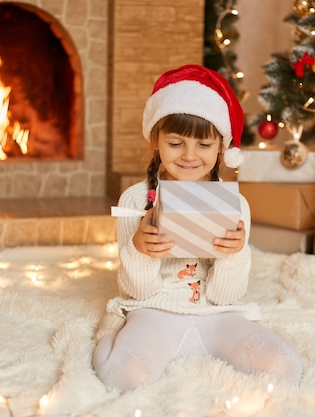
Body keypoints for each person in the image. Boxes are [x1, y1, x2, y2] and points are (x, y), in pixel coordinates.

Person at [92, 64, 303, 392]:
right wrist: (139, 250)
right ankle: (114, 337)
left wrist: (233, 254)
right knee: (124, 377)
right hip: (154, 312)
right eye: (175, 143)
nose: (189, 156)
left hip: (218, 316)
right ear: (156, 142)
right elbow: (139, 291)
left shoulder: (234, 205)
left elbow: (225, 296)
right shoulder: (136, 201)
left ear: (221, 147)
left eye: (204, 145)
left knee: (285, 366)